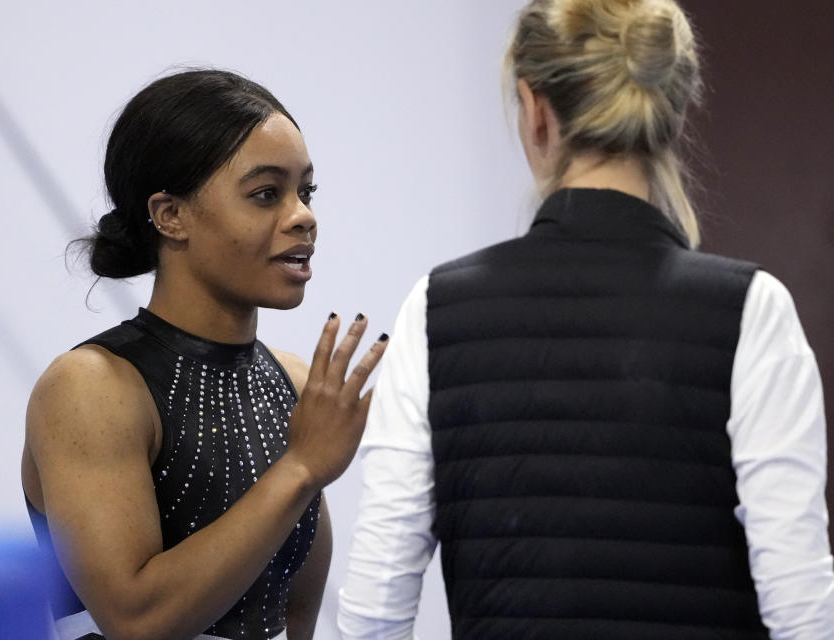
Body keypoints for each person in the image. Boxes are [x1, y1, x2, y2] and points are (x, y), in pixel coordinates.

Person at [338, 0, 834, 638]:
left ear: (535, 110)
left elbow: (374, 613)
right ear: (672, 112)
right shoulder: (753, 309)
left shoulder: (438, 308)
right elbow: (803, 613)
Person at [21, 69, 388, 640]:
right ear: (171, 215)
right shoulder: (91, 388)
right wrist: (299, 468)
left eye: (305, 192)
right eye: (267, 193)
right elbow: (136, 619)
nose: (303, 216)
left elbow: (293, 619)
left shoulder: (291, 381)